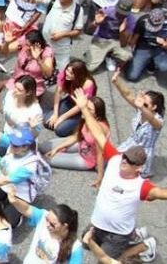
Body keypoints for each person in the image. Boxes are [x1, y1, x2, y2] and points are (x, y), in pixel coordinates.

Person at [71, 88, 167, 259]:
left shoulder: (142, 187)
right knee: (85, 244)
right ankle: (134, 235)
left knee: (108, 261)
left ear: (139, 168)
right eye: (125, 157)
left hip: (117, 235)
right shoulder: (116, 159)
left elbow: (162, 193)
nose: (124, 161)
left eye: (130, 161)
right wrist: (84, 108)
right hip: (98, 225)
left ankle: (145, 246)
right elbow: (98, 134)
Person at [40, 96, 110, 188]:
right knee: (43, 147)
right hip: (82, 144)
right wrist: (57, 148)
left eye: (89, 109)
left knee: (45, 159)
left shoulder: (99, 129)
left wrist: (100, 177)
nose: (85, 110)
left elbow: (100, 155)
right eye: (85, 107)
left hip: (88, 159)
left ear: (97, 114)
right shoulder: (87, 119)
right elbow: (76, 137)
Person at [6, 187, 83, 263]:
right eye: (47, 219)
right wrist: (14, 201)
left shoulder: (75, 247)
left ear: (65, 226)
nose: (47, 225)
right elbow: (27, 209)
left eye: (52, 224)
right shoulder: (43, 217)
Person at [111, 71, 165, 178]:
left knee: (127, 174)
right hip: (131, 144)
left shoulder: (157, 121)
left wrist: (141, 107)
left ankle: (146, 173)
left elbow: (151, 119)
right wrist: (116, 82)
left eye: (146, 104)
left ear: (154, 107)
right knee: (113, 162)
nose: (142, 105)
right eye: (141, 103)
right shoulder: (140, 111)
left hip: (142, 153)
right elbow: (128, 94)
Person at [45, 59, 96, 138]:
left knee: (60, 130)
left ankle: (80, 124)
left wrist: (62, 117)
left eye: (71, 73)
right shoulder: (64, 74)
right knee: (47, 121)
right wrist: (55, 114)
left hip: (82, 109)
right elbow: (58, 93)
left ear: (79, 75)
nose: (67, 74)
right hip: (70, 101)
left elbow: (80, 106)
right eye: (67, 70)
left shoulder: (88, 84)